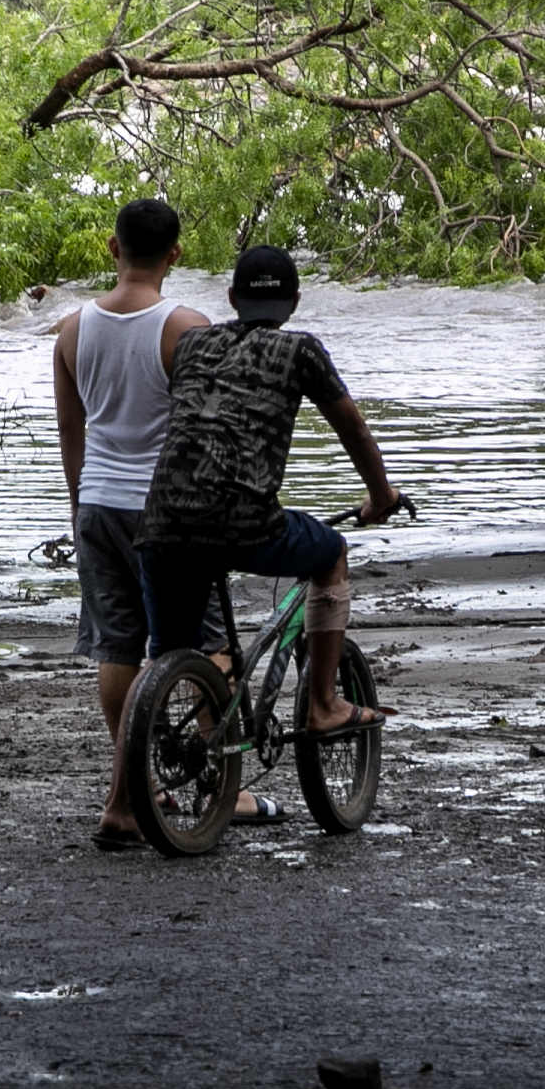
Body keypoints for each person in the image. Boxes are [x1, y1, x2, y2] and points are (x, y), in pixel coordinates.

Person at [136, 245, 402, 743]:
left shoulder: (191, 344)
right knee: (331, 554)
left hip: (161, 522)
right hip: (243, 522)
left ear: (232, 297)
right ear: (295, 302)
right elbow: (354, 429)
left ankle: (166, 777)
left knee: (171, 656)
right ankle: (322, 705)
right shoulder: (300, 350)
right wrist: (380, 495)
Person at [49, 198, 253, 850]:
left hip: (98, 503)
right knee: (209, 643)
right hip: (167, 510)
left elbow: (71, 433)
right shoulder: (185, 326)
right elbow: (215, 431)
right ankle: (221, 781)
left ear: (112, 248)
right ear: (176, 254)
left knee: (116, 646)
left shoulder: (70, 330)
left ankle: (138, 787)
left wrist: (80, 506)